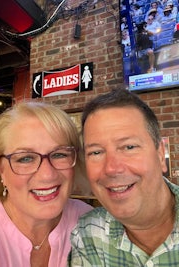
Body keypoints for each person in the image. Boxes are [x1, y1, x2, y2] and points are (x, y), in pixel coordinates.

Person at [68, 89, 179, 266]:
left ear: (160, 154)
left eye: (129, 147)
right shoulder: (88, 233)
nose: (112, 168)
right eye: (96, 152)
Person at [0, 101, 92, 266]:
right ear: (1, 170)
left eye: (59, 154)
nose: (47, 175)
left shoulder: (91, 224)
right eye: (25, 158)